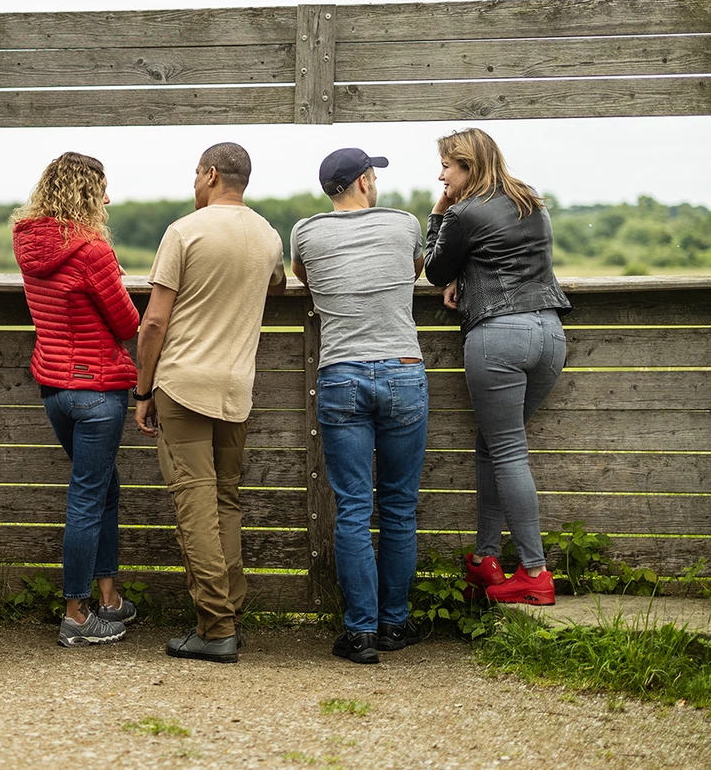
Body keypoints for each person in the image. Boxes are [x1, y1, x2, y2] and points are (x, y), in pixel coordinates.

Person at [133, 142, 285, 664]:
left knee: (193, 501)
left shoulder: (184, 232)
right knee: (225, 500)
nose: (193, 182)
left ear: (212, 174)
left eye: (196, 173)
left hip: (182, 385)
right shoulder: (267, 234)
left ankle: (215, 626)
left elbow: (153, 321)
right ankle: (230, 616)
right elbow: (277, 284)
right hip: (235, 389)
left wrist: (142, 389)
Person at [291, 149, 428, 665]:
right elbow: (414, 272)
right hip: (401, 369)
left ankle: (361, 632)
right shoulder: (404, 224)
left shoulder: (306, 232)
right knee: (397, 506)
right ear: (366, 181)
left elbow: (306, 278)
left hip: (341, 373)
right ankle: (395, 623)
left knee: (352, 508)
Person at [424, 128, 571, 606]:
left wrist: (438, 212)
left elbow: (435, 270)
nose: (441, 173)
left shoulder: (464, 210)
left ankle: (534, 571)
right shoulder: (530, 201)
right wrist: (469, 278)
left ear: (466, 166)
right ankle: (487, 558)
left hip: (499, 336)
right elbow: (504, 259)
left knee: (507, 451)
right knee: (493, 445)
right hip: (549, 334)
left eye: (447, 165)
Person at [11, 152, 142, 647]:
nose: (108, 198)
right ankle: (77, 614)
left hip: (55, 389)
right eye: (103, 189)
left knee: (102, 486)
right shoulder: (92, 251)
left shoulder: (28, 242)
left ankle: (109, 598)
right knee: (88, 496)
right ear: (88, 193)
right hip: (97, 391)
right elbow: (127, 324)